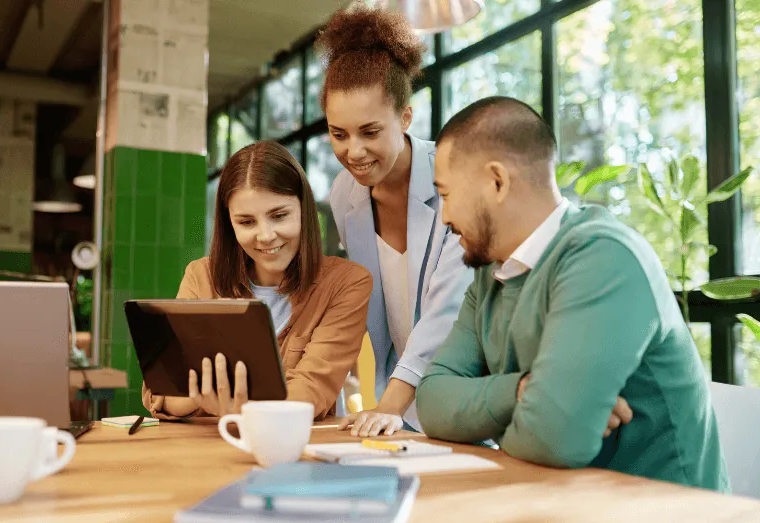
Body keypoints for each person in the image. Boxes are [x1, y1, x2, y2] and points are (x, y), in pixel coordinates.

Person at [416, 96, 728, 491]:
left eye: (446, 195)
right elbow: (432, 402)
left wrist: (527, 413)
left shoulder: (604, 257)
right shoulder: (489, 276)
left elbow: (553, 438)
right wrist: (523, 391)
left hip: (664, 509)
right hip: (561, 497)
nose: (444, 217)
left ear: (497, 181)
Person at [320, 5, 474, 437]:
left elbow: (448, 308)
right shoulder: (344, 194)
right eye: (338, 134)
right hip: (399, 411)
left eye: (370, 132)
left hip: (467, 393)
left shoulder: (453, 178)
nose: (353, 152)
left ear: (405, 117)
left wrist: (388, 406)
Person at [142, 141, 372, 421]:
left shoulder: (347, 282)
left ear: (304, 209)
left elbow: (310, 392)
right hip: (207, 443)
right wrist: (203, 395)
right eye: (246, 222)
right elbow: (163, 393)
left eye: (279, 216)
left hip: (293, 445)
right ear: (229, 224)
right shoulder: (201, 276)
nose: (265, 236)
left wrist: (214, 393)